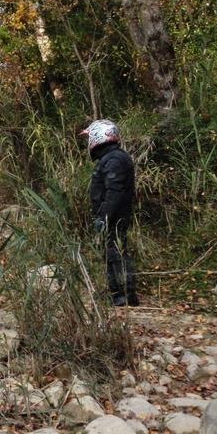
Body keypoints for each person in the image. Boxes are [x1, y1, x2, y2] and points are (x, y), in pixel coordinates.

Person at [82, 119, 139, 307]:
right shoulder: (112, 157)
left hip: (113, 217)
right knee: (113, 252)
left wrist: (103, 217)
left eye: (90, 137)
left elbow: (114, 191)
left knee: (115, 253)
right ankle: (120, 294)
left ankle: (123, 295)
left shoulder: (114, 159)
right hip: (113, 215)